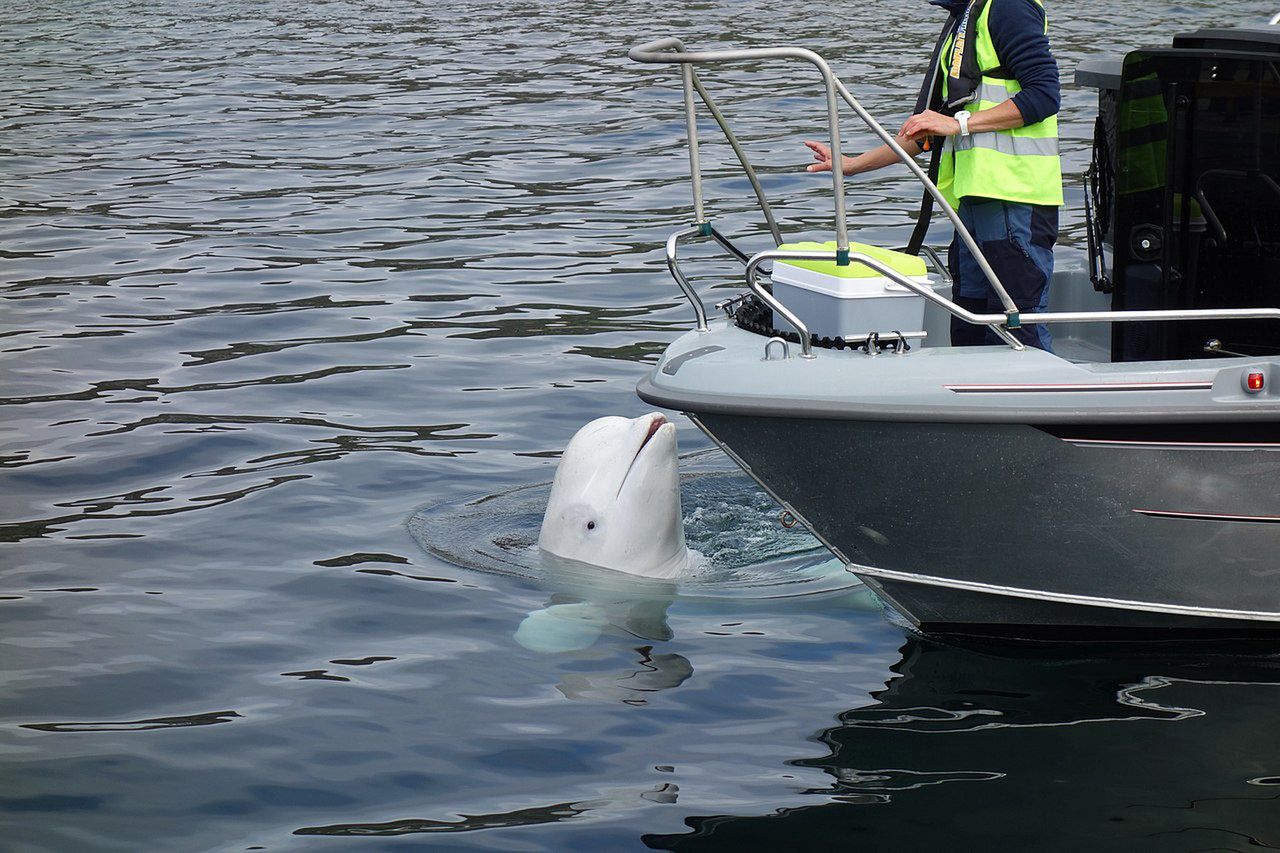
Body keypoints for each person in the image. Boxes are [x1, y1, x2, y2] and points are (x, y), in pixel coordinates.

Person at [803, 0, 1063, 350]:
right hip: (972, 204)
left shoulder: (1008, 7)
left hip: (1015, 200)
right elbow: (926, 133)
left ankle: (1033, 401)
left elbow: (1044, 94)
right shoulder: (964, 20)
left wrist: (958, 123)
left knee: (1017, 325)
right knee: (970, 319)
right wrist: (851, 165)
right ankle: (969, 401)